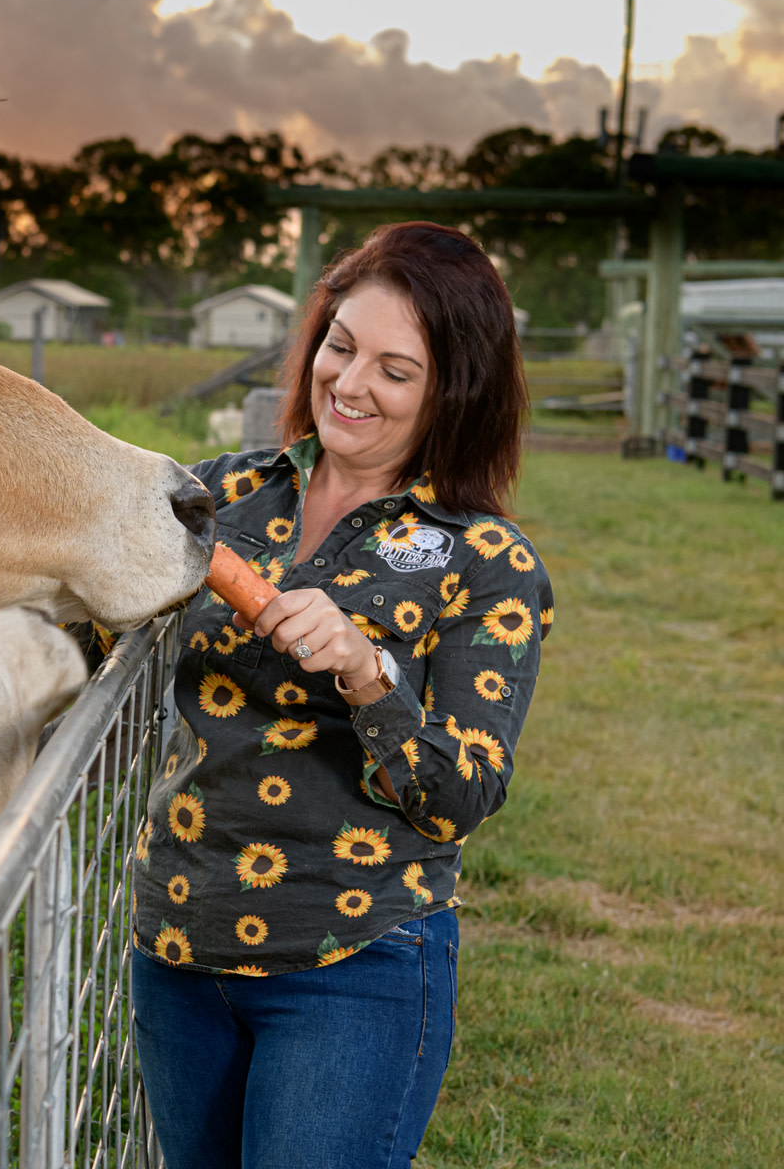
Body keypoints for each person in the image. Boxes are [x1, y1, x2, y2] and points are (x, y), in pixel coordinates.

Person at [131, 221, 554, 1169]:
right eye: (341, 345)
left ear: (454, 391)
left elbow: (461, 799)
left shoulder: (484, 562)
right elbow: (84, 641)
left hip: (354, 965)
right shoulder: (215, 499)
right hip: (177, 950)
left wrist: (372, 676)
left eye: (396, 371)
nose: (350, 384)